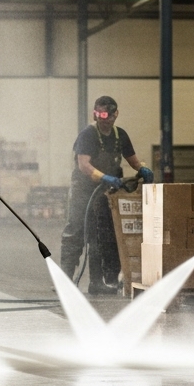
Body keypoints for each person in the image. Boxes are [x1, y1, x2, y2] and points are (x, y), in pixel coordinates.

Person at [60, 96, 153, 295]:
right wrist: (104, 177)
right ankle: (65, 281)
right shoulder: (88, 134)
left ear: (115, 114)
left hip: (104, 194)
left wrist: (144, 169)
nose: (102, 118)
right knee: (75, 232)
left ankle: (97, 282)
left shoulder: (121, 136)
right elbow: (84, 165)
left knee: (100, 237)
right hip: (83, 191)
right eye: (98, 114)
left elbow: (134, 161)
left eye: (106, 114)